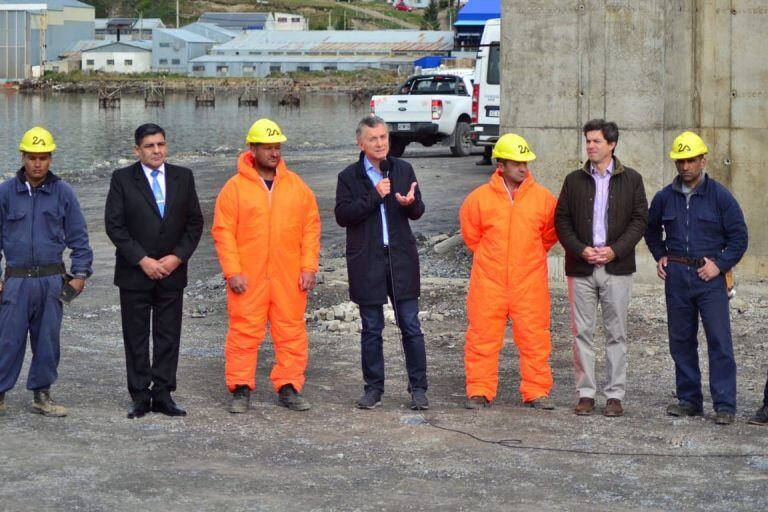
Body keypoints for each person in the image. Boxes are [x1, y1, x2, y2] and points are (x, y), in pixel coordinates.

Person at [212, 119, 320, 413]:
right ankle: (241, 389)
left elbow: (311, 228)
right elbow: (223, 233)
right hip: (248, 277)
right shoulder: (233, 189)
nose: (274, 153)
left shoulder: (297, 187)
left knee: (291, 331)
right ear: (253, 149)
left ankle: (289, 386)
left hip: (288, 276)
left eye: (277, 147)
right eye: (268, 148)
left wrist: (309, 267)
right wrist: (232, 271)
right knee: (244, 332)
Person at [645, 131, 748, 425]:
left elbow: (739, 238)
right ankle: (689, 401)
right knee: (680, 341)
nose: (685, 166)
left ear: (703, 160)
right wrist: (660, 254)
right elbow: (651, 230)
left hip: (709, 278)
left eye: (691, 160)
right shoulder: (664, 197)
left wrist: (720, 265)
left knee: (719, 340)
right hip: (677, 276)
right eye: (680, 161)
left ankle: (725, 405)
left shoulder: (720, 197)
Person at [105, 123, 203, 419]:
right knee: (135, 336)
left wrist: (177, 257)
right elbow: (115, 226)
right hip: (136, 272)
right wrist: (142, 259)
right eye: (149, 146)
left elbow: (194, 223)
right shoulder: (122, 179)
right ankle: (139, 395)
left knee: (168, 335)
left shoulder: (183, 177)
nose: (157, 150)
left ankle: (163, 394)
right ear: (137, 150)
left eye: (161, 144)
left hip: (172, 272)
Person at [555, 119, 648, 417]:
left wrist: (614, 250)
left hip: (617, 267)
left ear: (612, 144)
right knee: (581, 332)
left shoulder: (632, 179)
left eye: (596, 141)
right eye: (588, 141)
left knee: (616, 333)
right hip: (580, 267)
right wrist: (581, 249)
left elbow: (639, 220)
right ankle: (585, 393)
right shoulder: (573, 180)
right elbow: (562, 221)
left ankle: (614, 395)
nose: (590, 146)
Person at [335, 115, 428, 410]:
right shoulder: (349, 177)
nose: (380, 143)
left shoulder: (403, 169)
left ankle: (419, 389)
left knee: (411, 325)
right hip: (367, 261)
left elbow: (418, 211)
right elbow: (342, 216)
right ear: (361, 143)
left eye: (383, 137)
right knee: (372, 328)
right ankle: (373, 388)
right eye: (373, 139)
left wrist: (410, 203)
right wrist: (374, 197)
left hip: (401, 258)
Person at [460, 134, 558, 409]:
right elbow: (472, 237)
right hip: (488, 282)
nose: (524, 168)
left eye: (525, 162)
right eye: (517, 163)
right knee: (482, 336)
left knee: (535, 338)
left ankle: (536, 391)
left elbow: (549, 236)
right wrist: (494, 261)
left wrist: (526, 259)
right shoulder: (478, 200)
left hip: (529, 282)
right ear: (501, 165)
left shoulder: (544, 199)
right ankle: (479, 390)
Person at [0, 127, 93, 417]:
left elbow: (79, 237)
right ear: (23, 157)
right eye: (31, 157)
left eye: (43, 157)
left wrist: (79, 275)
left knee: (47, 341)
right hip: (15, 281)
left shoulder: (64, 193)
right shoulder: (5, 193)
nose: (37, 163)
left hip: (52, 280)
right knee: (7, 340)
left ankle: (42, 395)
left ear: (51, 158)